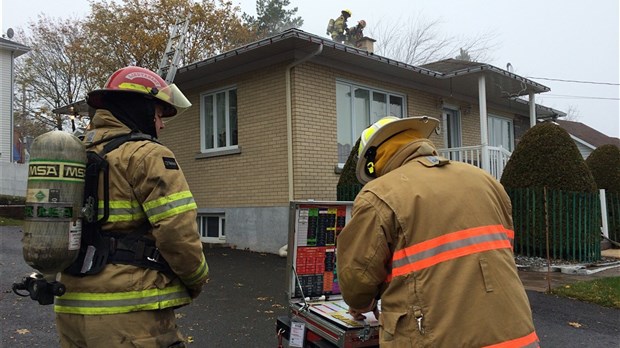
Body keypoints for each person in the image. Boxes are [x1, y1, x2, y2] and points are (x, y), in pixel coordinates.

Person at [336, 116, 539, 347]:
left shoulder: (380, 193)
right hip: (518, 335)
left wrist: (363, 303)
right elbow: (498, 251)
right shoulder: (485, 180)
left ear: (373, 159)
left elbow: (357, 278)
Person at [54, 66, 209, 348]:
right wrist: (197, 279)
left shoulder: (77, 153)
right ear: (140, 107)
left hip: (70, 309)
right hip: (130, 317)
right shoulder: (148, 154)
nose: (161, 124)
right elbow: (178, 233)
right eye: (159, 114)